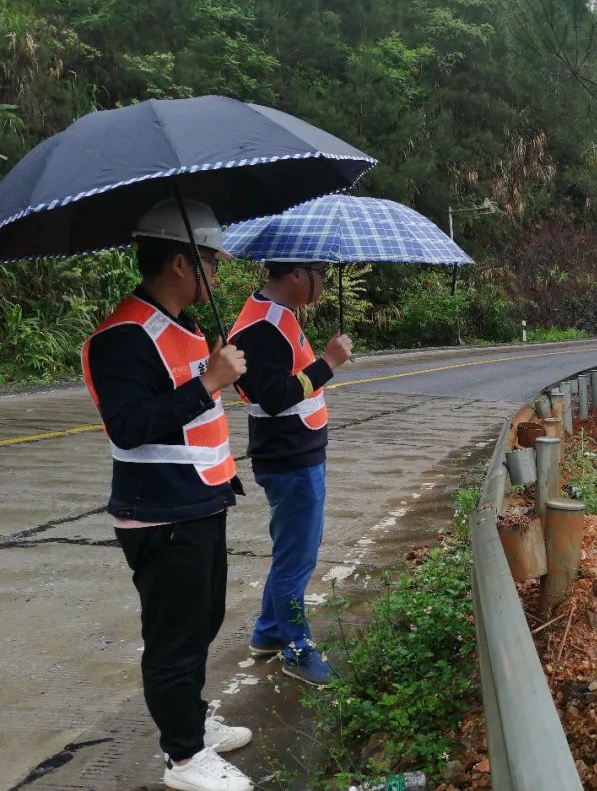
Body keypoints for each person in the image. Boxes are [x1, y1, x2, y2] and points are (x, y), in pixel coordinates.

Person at [82, 199, 255, 791]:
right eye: (211, 260)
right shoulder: (122, 337)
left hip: (201, 500)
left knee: (201, 622)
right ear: (181, 262)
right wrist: (209, 380)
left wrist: (216, 377)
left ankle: (193, 724)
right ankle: (184, 758)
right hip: (159, 512)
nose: (217, 272)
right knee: (173, 639)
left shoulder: (184, 326)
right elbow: (128, 425)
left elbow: (192, 411)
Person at [227, 258, 352, 686]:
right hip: (289, 458)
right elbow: (276, 395)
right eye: (321, 274)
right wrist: (328, 363)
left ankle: (268, 633)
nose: (322, 284)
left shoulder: (276, 315)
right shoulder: (263, 327)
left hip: (296, 452)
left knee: (293, 552)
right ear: (298, 274)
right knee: (295, 560)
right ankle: (296, 650)